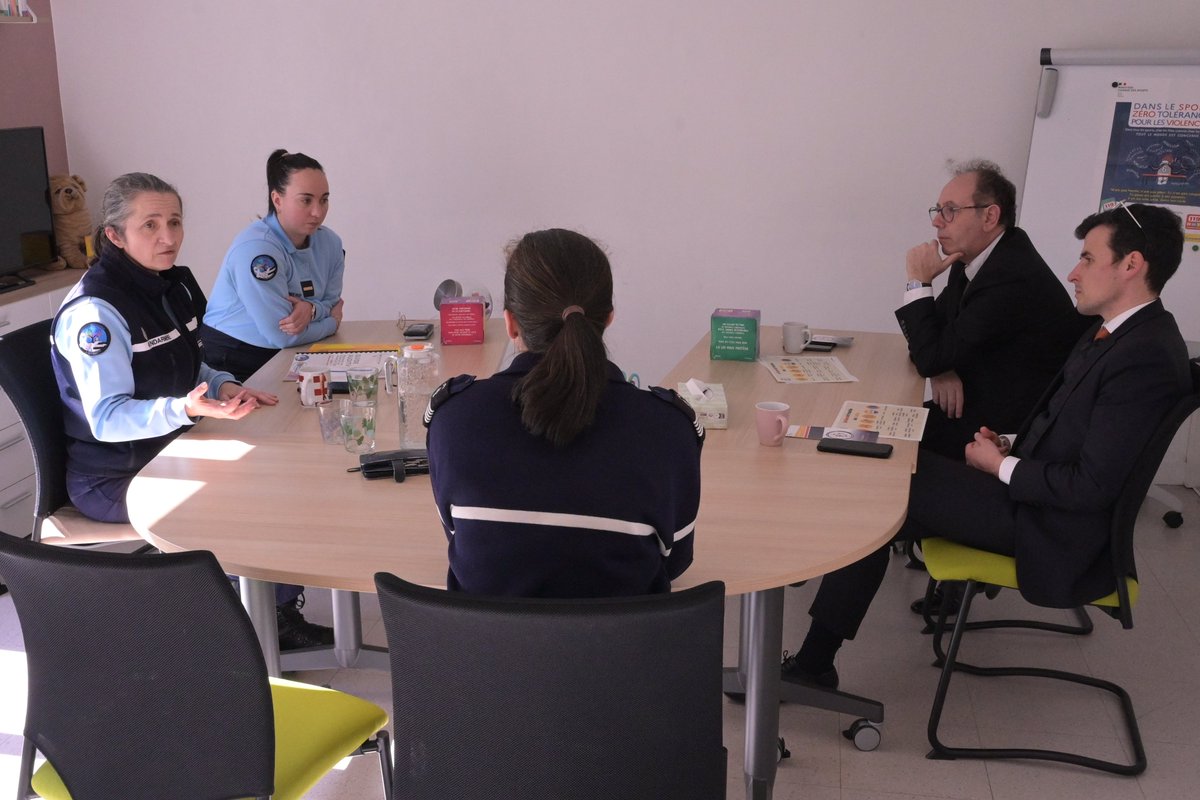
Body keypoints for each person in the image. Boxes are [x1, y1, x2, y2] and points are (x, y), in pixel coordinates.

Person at [781, 203, 1191, 690]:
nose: (1072, 272)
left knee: (887, 487)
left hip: (1056, 532)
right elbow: (1068, 426)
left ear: (1131, 265)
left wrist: (1001, 467)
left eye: (1086, 258)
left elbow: (1092, 486)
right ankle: (814, 656)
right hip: (1039, 502)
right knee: (886, 487)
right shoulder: (1117, 333)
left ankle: (812, 656)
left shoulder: (1143, 357)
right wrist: (1009, 444)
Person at [52, 172, 332, 650]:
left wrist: (226, 384)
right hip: (117, 474)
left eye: (175, 222)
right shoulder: (96, 312)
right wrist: (184, 407)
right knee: (253, 500)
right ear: (115, 236)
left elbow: (189, 357)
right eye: (151, 225)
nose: (168, 237)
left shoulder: (171, 284)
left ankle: (274, 616)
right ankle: (245, 637)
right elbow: (106, 418)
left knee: (280, 473)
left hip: (170, 449)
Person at [425, 228, 705, 598]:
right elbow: (674, 562)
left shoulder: (453, 420)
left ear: (509, 323)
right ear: (607, 319)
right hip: (627, 654)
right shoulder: (669, 429)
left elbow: (462, 542)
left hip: (485, 653)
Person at [897, 159, 1091, 460]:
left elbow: (929, 352)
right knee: (880, 427)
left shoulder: (1010, 276)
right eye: (937, 210)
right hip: (975, 406)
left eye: (950, 210)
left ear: (990, 216)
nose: (937, 221)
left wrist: (918, 281)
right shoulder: (972, 259)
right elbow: (929, 342)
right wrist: (941, 368)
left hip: (1005, 433)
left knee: (886, 442)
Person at [200, 149, 345, 382]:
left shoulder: (331, 243)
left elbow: (331, 301)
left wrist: (312, 310)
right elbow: (282, 335)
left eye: (324, 199)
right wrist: (331, 323)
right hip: (233, 360)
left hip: (296, 351)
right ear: (277, 199)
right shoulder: (257, 250)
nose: (318, 211)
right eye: (306, 200)